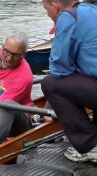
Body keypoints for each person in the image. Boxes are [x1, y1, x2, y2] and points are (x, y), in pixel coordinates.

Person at [40, 0, 97, 163]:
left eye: (46, 9)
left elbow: (59, 69)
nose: (47, 13)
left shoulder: (69, 17)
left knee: (50, 83)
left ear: (55, 6)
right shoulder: (93, 9)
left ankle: (90, 146)